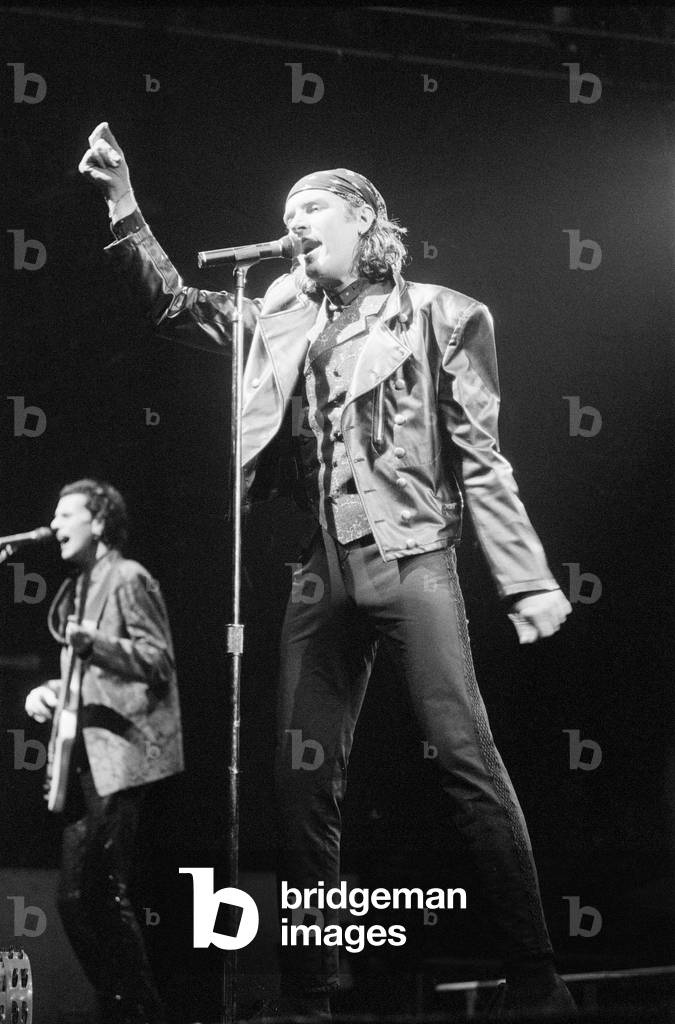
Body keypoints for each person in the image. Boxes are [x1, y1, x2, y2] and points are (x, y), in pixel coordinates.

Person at [78, 124, 576, 1020]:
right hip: (320, 568)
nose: (293, 223)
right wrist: (123, 199)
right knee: (301, 780)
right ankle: (312, 991)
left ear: (364, 222)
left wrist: (526, 578)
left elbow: (483, 458)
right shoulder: (277, 312)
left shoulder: (444, 314)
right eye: (284, 215)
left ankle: (534, 973)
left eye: (310, 208)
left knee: (465, 758)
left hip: (410, 556)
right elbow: (173, 305)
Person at [25, 479, 183, 1024]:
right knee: (72, 898)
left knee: (101, 889)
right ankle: (123, 1003)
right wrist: (51, 692)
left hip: (119, 755)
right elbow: (83, 674)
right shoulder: (77, 587)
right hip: (81, 758)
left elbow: (157, 659)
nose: (55, 524)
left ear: (97, 522)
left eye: (65, 514)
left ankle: (140, 1012)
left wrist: (97, 644)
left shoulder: (128, 577)